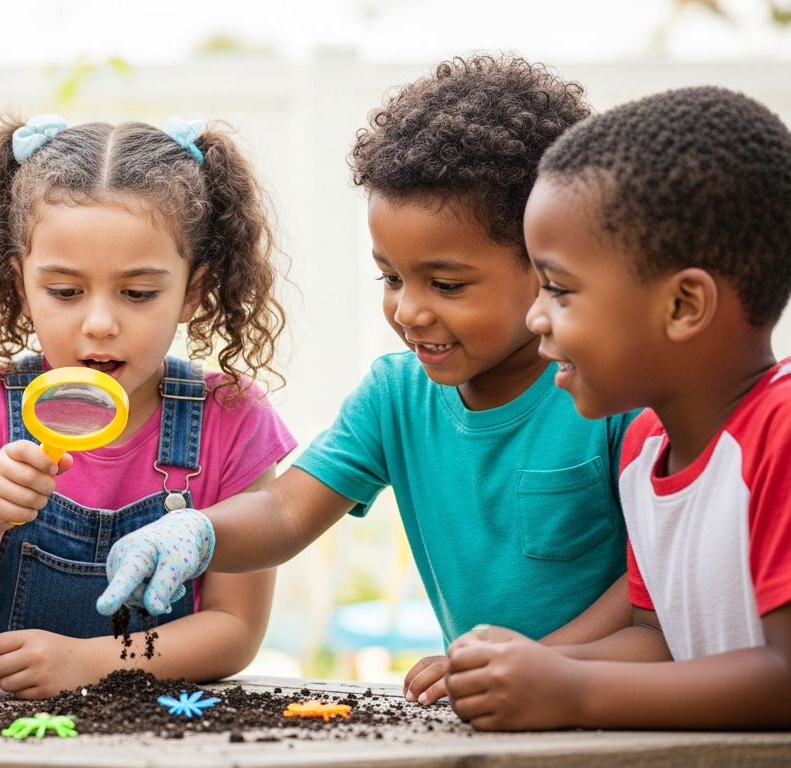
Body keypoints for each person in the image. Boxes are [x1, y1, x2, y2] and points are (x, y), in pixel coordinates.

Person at [97, 56, 638, 705]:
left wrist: (541, 665)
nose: (408, 310)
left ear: (549, 260)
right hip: (493, 712)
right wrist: (201, 531)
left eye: (446, 284)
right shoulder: (397, 396)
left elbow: (656, 588)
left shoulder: (618, 394)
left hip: (616, 709)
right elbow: (285, 509)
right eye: (391, 277)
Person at [441, 85, 791, 731]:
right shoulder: (647, 447)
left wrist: (574, 691)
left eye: (558, 289)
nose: (536, 317)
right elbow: (657, 640)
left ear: (682, 306)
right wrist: (531, 662)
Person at [0, 114, 295, 698]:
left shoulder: (233, 420)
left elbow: (235, 630)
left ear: (192, 292)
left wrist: (91, 661)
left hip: (155, 732)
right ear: (20, 285)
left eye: (138, 293)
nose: (101, 324)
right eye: (64, 292)